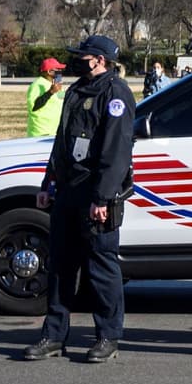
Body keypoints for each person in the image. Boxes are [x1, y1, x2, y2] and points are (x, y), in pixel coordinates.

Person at [23, 35, 135, 363]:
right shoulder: (75, 90)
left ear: (99, 60)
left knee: (101, 268)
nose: (77, 61)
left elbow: (116, 152)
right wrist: (48, 182)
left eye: (82, 56)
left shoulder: (115, 93)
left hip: (96, 193)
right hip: (68, 191)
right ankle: (54, 335)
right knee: (60, 266)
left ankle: (108, 336)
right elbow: (62, 142)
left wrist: (102, 197)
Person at [26, 57, 66, 137]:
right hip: (41, 132)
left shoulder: (56, 85)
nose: (60, 72)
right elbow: (34, 106)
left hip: (55, 132)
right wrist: (50, 92)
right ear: (49, 72)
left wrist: (61, 91)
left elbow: (62, 100)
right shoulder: (37, 85)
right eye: (58, 69)